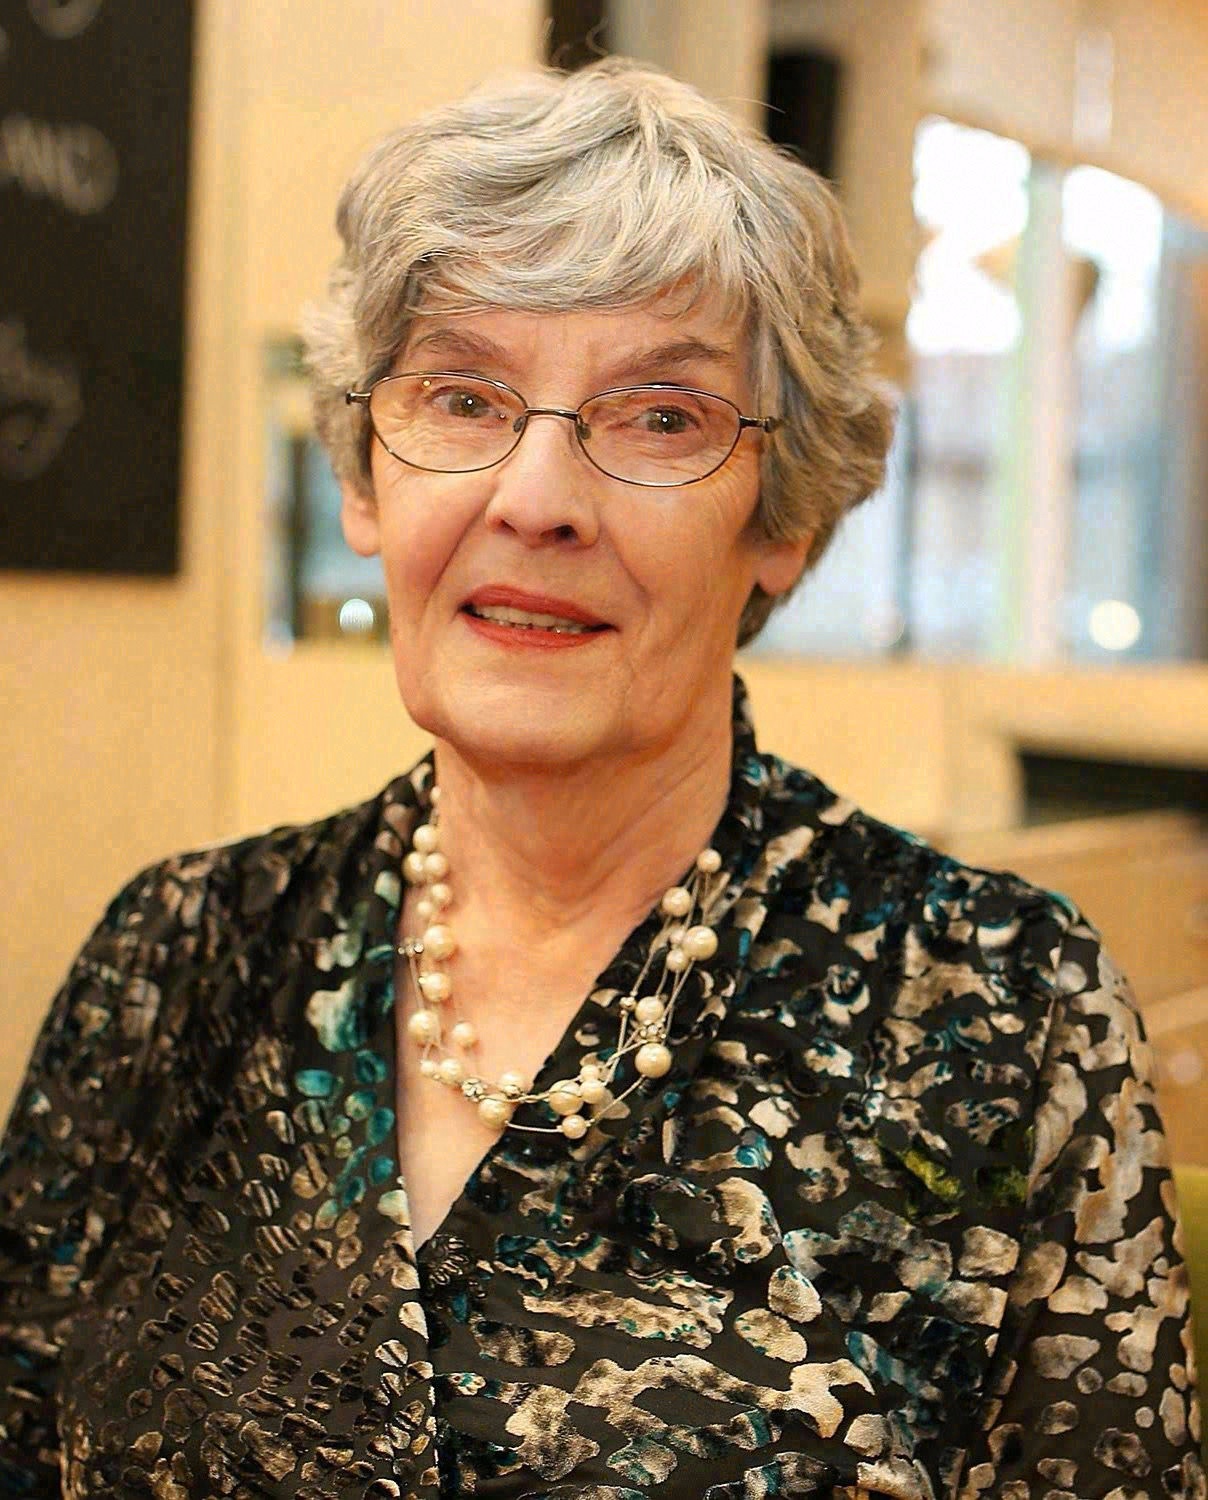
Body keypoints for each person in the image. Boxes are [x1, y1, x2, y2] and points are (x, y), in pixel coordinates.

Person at [0, 57, 1200, 1500]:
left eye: (659, 418)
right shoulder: (177, 957)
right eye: (462, 397)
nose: (536, 500)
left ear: (784, 521)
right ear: (365, 481)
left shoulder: (996, 1008)